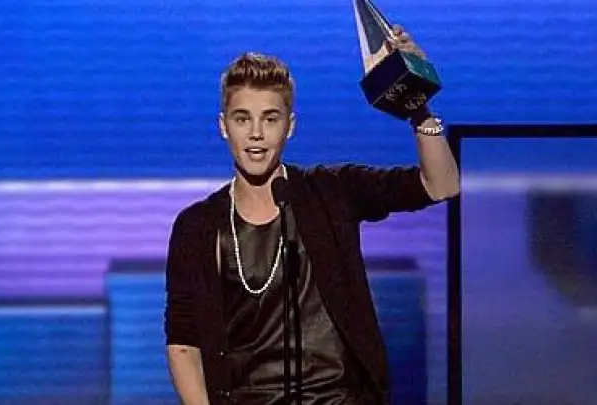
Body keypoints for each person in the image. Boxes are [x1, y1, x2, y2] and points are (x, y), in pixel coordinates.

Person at [164, 25, 459, 405]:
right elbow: (184, 342)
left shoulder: (331, 192)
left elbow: (441, 184)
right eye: (242, 119)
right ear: (224, 126)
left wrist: (417, 103)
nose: (256, 133)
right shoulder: (198, 227)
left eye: (270, 118)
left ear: (290, 126)